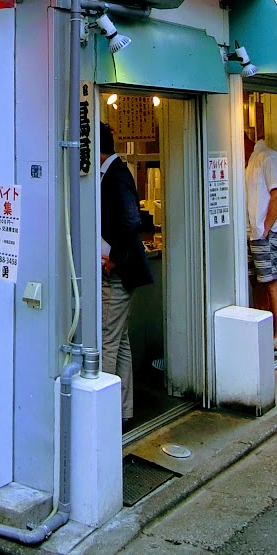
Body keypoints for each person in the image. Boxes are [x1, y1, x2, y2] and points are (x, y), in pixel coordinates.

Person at [98, 124, 153, 425]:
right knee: (120, 341)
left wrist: (114, 260)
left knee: (107, 339)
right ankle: (123, 410)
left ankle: (105, 414)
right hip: (122, 272)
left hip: (117, 273)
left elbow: (131, 222)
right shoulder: (113, 172)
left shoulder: (116, 175)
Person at [245, 130, 277, 350]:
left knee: (270, 281)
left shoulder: (268, 157)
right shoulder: (251, 162)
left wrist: (266, 228)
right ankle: (263, 329)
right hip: (253, 231)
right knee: (257, 281)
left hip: (264, 232)